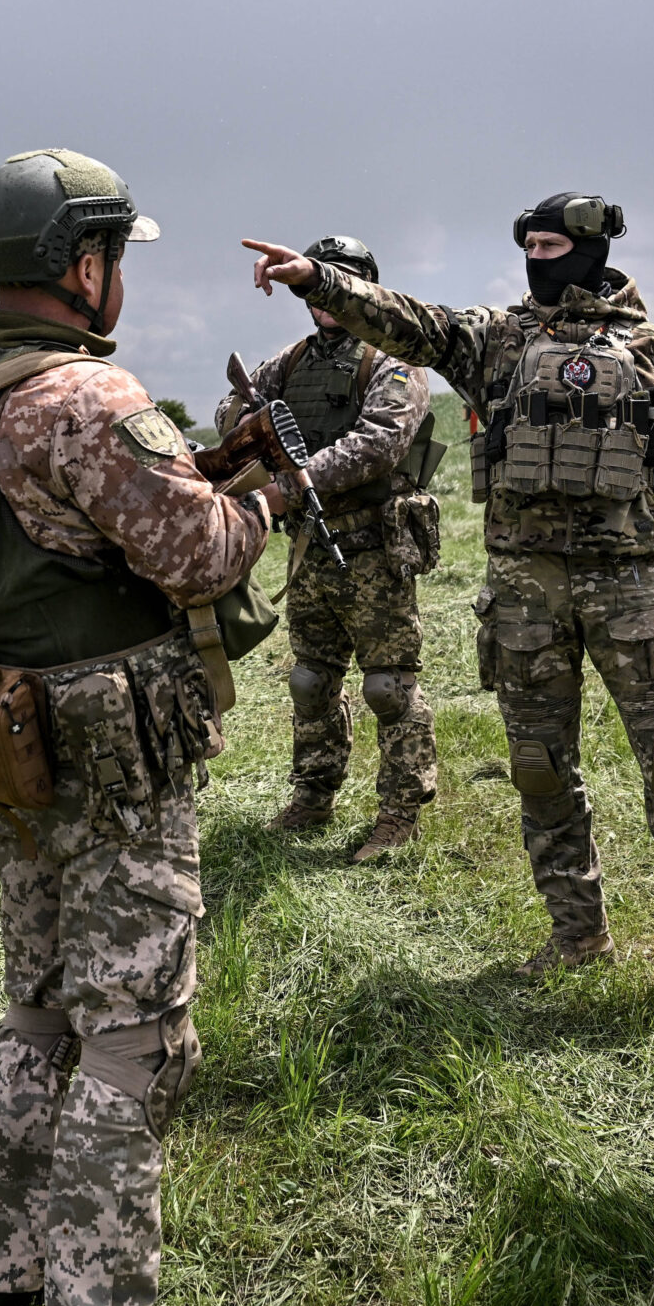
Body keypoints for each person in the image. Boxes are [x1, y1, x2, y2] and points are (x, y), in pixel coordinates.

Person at [0, 149, 271, 1306]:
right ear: (80, 264)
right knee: (133, 1042)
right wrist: (260, 499)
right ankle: (101, 1305)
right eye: (114, 256)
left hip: (16, 747)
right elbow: (199, 556)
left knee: (39, 1012)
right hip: (114, 760)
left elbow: (56, 529)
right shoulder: (81, 397)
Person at [245, 198, 654, 1012]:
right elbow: (410, 322)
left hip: (629, 590)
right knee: (540, 772)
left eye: (551, 245)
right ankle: (576, 931)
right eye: (527, 245)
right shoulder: (499, 341)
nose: (536, 258)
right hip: (525, 598)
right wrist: (322, 279)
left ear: (592, 252)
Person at [217, 235, 444, 860]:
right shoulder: (290, 362)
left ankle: (400, 811)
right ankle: (314, 794)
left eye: (342, 279)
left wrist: (298, 482)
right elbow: (229, 412)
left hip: (373, 546)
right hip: (310, 545)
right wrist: (253, 422)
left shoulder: (391, 361)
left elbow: (380, 441)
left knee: (388, 687)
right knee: (311, 679)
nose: (323, 295)